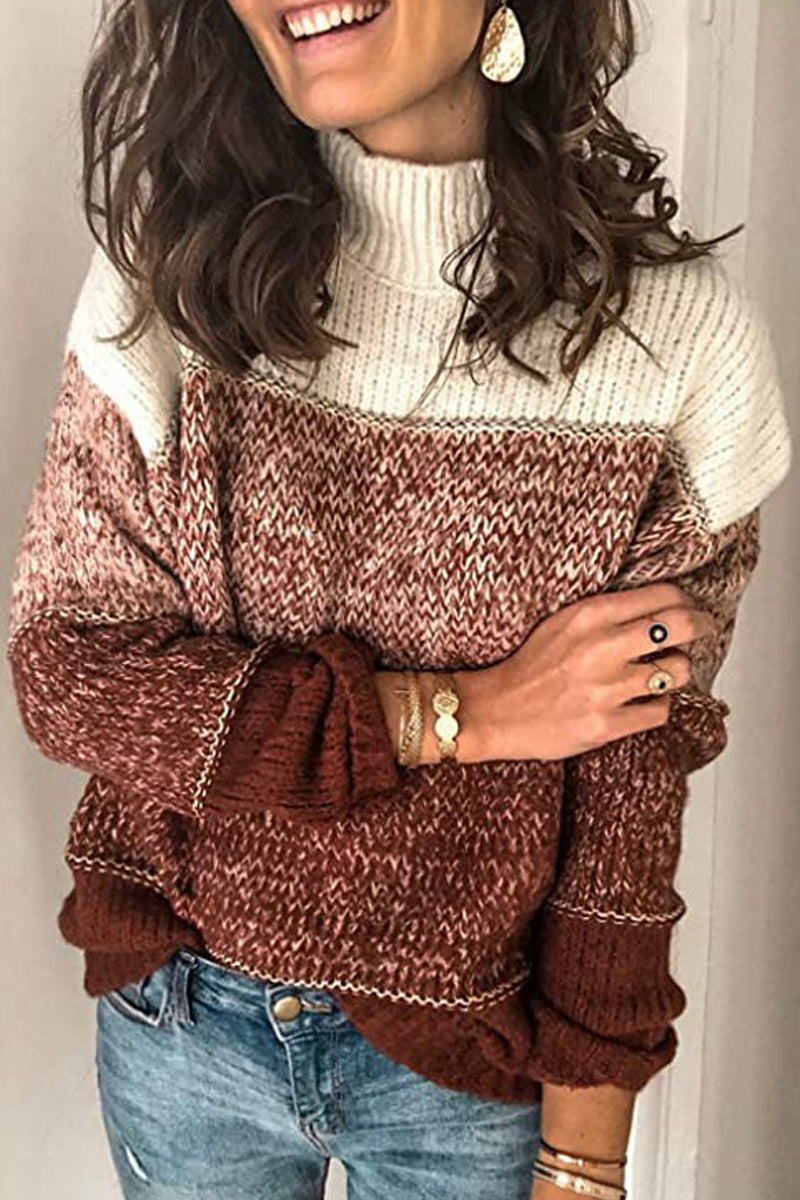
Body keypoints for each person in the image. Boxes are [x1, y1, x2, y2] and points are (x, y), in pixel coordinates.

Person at [7, 1, 793, 1197]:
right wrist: (460, 714)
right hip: (183, 1022)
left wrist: (582, 1165)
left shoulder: (676, 342)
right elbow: (68, 672)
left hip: (470, 1072)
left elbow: (625, 814)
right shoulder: (171, 272)